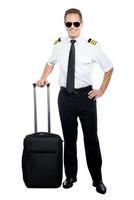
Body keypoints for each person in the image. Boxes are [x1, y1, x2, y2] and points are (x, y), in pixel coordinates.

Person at [36, 8, 113, 194]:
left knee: (91, 139)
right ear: (65, 25)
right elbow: (50, 62)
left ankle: (97, 179)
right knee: (69, 139)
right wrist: (43, 77)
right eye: (68, 24)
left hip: (87, 97)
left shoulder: (91, 45)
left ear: (81, 24)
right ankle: (70, 176)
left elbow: (109, 67)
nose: (72, 27)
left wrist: (101, 90)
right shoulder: (59, 44)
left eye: (75, 23)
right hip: (65, 97)